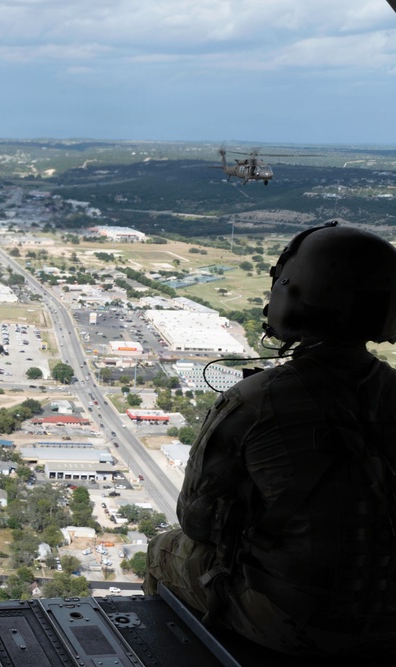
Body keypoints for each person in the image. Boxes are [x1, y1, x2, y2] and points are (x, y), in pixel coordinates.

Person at [144, 221, 396, 657]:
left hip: (297, 623)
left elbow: (196, 521)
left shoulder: (257, 399)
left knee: (164, 548)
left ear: (294, 295)